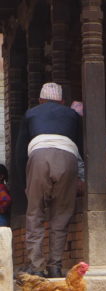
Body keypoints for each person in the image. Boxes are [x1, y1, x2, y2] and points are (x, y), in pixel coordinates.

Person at [14, 83, 82, 277]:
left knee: (35, 213)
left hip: (39, 159)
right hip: (67, 159)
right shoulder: (73, 115)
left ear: (40, 100)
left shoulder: (31, 113)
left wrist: (23, 182)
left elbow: (20, 153)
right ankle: (55, 266)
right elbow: (84, 147)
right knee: (61, 214)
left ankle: (36, 266)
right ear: (62, 101)